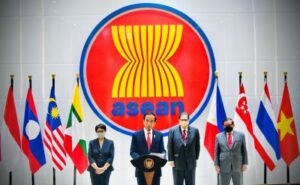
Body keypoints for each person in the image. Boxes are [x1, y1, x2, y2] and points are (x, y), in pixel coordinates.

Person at [130, 112, 166, 185]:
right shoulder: (136, 135)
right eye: (147, 120)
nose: (149, 123)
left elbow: (163, 151)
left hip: (155, 170)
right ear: (143, 121)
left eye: (152, 121)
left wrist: (163, 156)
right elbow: (132, 152)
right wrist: (142, 160)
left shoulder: (159, 135)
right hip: (141, 170)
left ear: (155, 122)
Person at [167, 112, 200, 185]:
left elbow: (197, 146)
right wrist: (171, 159)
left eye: (185, 120)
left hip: (191, 163)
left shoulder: (195, 131)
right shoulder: (172, 131)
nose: (184, 121)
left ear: (188, 120)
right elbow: (170, 146)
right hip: (177, 163)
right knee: (177, 183)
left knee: (191, 183)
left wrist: (195, 157)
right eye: (182, 120)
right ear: (179, 120)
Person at [214, 118, 248, 185]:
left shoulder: (241, 135)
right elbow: (216, 152)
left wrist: (245, 163)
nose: (228, 126)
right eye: (226, 125)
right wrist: (216, 165)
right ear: (223, 126)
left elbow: (244, 150)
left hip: (238, 166)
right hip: (223, 166)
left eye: (229, 124)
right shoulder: (218, 136)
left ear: (233, 125)